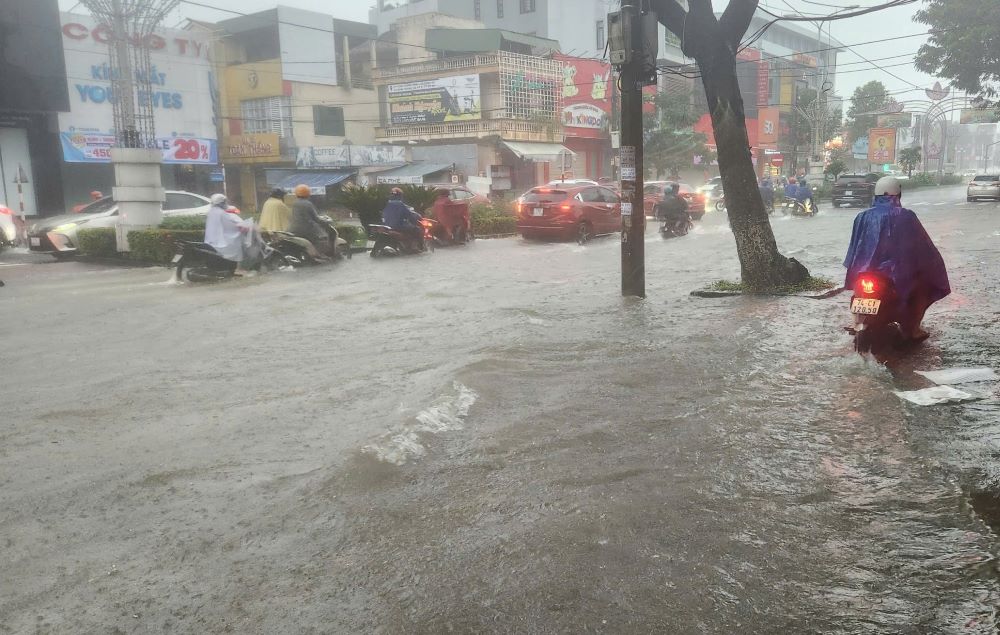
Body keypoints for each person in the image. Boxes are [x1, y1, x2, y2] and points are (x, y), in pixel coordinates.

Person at [843, 176, 950, 341]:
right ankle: (913, 329)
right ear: (898, 194)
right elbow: (923, 246)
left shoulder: (861, 216)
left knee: (858, 291)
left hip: (864, 272)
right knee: (921, 289)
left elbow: (854, 248)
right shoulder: (907, 216)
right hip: (896, 274)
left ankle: (856, 322)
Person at [204, 193, 250, 272]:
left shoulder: (212, 212)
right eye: (225, 202)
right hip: (222, 242)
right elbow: (231, 225)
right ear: (222, 203)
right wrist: (241, 227)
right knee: (237, 242)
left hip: (211, 241)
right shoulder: (222, 213)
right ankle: (237, 268)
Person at [288, 184, 332, 258]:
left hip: (293, 228)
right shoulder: (308, 204)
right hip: (307, 228)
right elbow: (316, 218)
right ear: (308, 193)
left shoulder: (295, 203)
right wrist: (325, 222)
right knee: (322, 236)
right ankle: (320, 254)